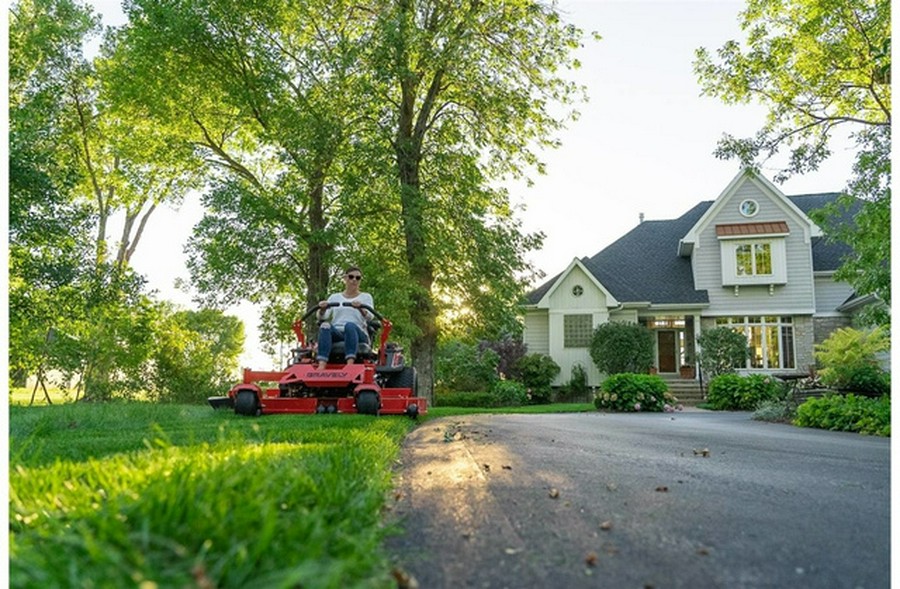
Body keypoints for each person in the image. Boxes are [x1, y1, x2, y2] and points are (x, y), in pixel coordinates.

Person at [315, 266, 374, 369]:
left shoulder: (366, 297)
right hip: (338, 333)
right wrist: (322, 309)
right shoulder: (335, 297)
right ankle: (321, 365)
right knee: (325, 325)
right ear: (345, 279)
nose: (354, 280)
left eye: (358, 278)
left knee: (349, 325)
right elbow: (322, 317)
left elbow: (370, 317)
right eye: (351, 277)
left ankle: (350, 364)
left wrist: (360, 308)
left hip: (358, 333)